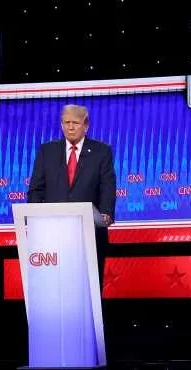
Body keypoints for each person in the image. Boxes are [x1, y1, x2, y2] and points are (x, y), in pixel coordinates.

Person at [26, 104, 116, 290]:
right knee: (54, 287)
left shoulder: (101, 151)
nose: (71, 127)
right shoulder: (47, 151)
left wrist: (106, 212)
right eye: (66, 122)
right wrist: (35, 219)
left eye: (76, 122)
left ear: (86, 125)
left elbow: (107, 185)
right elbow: (36, 189)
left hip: (89, 233)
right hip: (52, 235)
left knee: (88, 287)